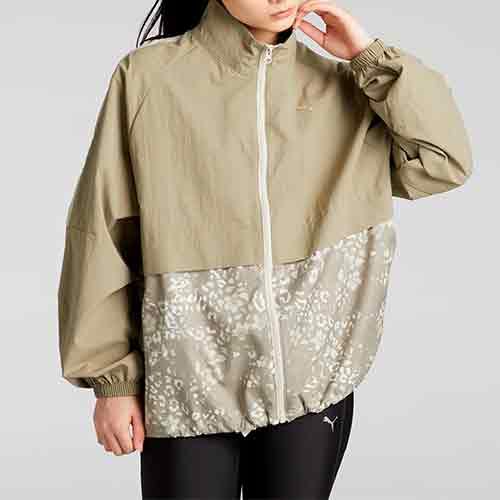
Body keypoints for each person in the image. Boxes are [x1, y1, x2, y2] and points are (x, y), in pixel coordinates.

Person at [56, 0, 473, 498]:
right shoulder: (149, 78)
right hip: (189, 380)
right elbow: (100, 232)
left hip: (311, 385)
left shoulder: (345, 86)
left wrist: (369, 58)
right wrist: (113, 382)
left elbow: (443, 161)